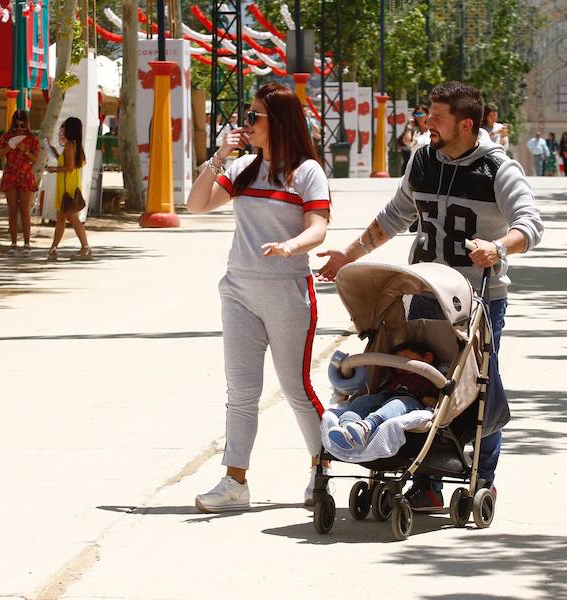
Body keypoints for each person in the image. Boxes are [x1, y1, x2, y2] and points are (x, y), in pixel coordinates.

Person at [317, 81, 544, 511]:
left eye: (437, 118)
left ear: (466, 123)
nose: (428, 124)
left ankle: (483, 477)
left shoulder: (499, 168)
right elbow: (394, 216)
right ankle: (426, 481)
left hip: (477, 298)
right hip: (422, 291)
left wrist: (497, 248)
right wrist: (347, 254)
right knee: (422, 384)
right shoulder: (422, 159)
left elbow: (530, 224)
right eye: (428, 116)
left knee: (477, 386)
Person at [188, 83, 332, 513]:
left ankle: (321, 467)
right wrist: (218, 157)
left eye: (254, 117)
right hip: (239, 291)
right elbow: (195, 205)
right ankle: (235, 482)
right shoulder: (244, 168)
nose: (246, 124)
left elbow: (318, 227)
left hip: (288, 290)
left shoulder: (307, 172)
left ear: (279, 121)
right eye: (246, 117)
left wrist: (293, 246)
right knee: (241, 391)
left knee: (296, 388)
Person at [327, 341, 439, 449]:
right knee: (362, 401)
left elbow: (443, 390)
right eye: (398, 364)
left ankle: (366, 427)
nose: (401, 367)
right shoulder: (395, 376)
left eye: (405, 359)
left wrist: (434, 400)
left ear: (427, 357)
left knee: (396, 404)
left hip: (413, 400)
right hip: (385, 396)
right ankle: (346, 426)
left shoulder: (434, 374)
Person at [0, 110, 41, 257]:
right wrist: (10, 146)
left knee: (25, 210)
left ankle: (27, 243)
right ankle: (13, 243)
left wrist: (25, 150)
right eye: (17, 123)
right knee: (12, 210)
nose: (20, 126)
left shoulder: (32, 138)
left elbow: (36, 159)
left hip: (26, 175)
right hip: (11, 174)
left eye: (22, 123)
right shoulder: (6, 136)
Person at [45, 117, 92, 260]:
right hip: (69, 185)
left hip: (67, 187)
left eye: (64, 127)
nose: (62, 130)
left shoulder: (70, 146)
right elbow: (72, 164)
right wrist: (56, 154)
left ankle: (86, 247)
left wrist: (54, 169)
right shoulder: (75, 146)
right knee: (61, 218)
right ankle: (53, 248)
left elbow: (69, 167)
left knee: (72, 219)